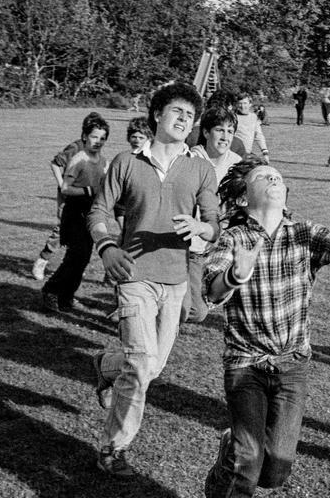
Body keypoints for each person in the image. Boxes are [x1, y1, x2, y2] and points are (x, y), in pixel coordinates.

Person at [201, 156, 330, 498]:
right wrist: (236, 274)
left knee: (275, 471)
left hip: (292, 365)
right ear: (243, 198)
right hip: (245, 365)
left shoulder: (304, 233)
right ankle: (232, 462)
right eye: (263, 176)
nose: (273, 179)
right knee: (248, 462)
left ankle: (232, 447)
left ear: (286, 193)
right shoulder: (233, 238)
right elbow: (211, 290)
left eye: (277, 177)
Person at [88, 82, 220, 477]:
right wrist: (107, 248)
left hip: (176, 280)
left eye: (191, 116)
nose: (184, 120)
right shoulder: (126, 162)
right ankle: (113, 448)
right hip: (134, 276)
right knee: (142, 362)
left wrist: (200, 226)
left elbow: (214, 224)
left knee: (151, 367)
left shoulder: (200, 168)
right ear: (158, 114)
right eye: (177, 111)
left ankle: (105, 365)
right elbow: (98, 211)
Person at [41, 113, 110, 312]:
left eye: (102, 138)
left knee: (84, 257)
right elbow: (65, 188)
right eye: (95, 137)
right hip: (74, 211)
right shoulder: (79, 159)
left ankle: (67, 296)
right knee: (75, 256)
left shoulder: (104, 161)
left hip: (91, 213)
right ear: (85, 136)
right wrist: (88, 191)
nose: (98, 142)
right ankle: (51, 291)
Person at [188, 105, 242, 323]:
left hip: (219, 248)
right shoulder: (190, 160)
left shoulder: (237, 164)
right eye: (220, 130)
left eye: (230, 131)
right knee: (195, 312)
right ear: (206, 132)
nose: (225, 137)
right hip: (190, 247)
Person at [230, 92, 270, 164]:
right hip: (234, 155)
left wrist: (265, 153)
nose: (242, 106)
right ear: (236, 104)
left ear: (250, 104)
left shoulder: (254, 117)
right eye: (240, 103)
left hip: (247, 154)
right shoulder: (232, 118)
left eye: (245, 103)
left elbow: (259, 136)